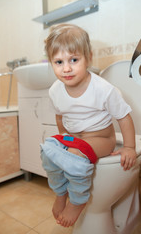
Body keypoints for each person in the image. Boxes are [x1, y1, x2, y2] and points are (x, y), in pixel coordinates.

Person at [40, 23, 137, 228]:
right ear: (51, 62)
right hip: (75, 138)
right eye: (59, 62)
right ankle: (61, 193)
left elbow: (124, 117)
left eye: (74, 60)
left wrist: (128, 147)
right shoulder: (55, 91)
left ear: (88, 57)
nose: (66, 68)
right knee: (48, 149)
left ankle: (78, 200)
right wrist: (63, 137)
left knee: (75, 155)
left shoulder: (103, 89)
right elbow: (60, 116)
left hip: (101, 139)